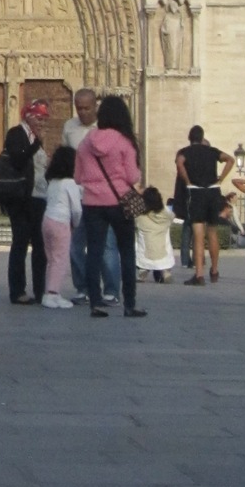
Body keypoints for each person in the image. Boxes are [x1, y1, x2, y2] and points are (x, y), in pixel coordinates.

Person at [74, 95, 146, 321]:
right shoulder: (124, 142)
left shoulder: (86, 142)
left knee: (94, 252)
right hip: (119, 202)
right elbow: (133, 176)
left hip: (92, 203)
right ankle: (129, 304)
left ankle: (95, 302)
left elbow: (78, 177)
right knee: (126, 252)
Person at [62, 90, 119, 302]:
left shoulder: (107, 128)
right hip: (78, 194)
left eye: (87, 108)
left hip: (104, 196)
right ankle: (82, 288)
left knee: (107, 245)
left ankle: (111, 291)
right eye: (79, 108)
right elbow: (66, 158)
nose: (83, 112)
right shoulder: (69, 127)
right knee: (75, 245)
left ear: (96, 106)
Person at [0, 102, 49, 306]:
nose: (41, 122)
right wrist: (37, 144)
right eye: (38, 117)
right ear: (27, 116)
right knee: (20, 243)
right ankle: (17, 290)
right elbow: (18, 160)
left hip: (39, 198)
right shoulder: (16, 133)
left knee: (40, 245)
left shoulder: (35, 137)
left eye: (44, 119)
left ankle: (40, 290)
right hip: (21, 198)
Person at [176, 126, 235, 285]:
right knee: (212, 232)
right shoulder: (212, 151)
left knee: (198, 234)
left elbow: (180, 163)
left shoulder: (185, 152)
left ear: (190, 138)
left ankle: (199, 274)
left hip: (196, 192)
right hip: (213, 191)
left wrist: (187, 181)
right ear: (202, 137)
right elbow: (230, 159)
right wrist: (220, 178)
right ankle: (214, 270)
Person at [41, 144, 81, 309]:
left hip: (47, 220)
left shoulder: (53, 182)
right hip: (61, 222)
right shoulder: (70, 183)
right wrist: (75, 224)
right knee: (61, 259)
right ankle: (53, 294)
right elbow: (76, 209)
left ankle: (50, 291)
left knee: (51, 259)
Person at [135, 187, 176, 284]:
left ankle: (143, 271)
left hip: (145, 253)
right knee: (165, 248)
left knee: (139, 243)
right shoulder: (166, 215)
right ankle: (166, 272)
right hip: (163, 252)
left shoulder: (139, 216)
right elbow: (172, 216)